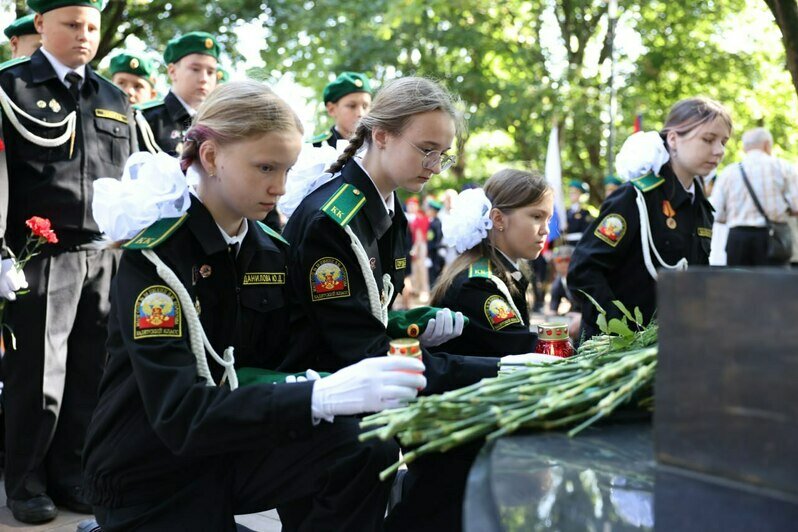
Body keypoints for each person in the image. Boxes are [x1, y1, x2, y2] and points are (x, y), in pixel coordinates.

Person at [83, 80, 419, 531]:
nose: (279, 187)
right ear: (211, 157)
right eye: (265, 167)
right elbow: (180, 415)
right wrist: (318, 396)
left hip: (230, 450)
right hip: (149, 469)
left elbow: (289, 359)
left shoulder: (272, 252)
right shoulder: (157, 259)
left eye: (286, 169)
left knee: (367, 445)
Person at [279, 76, 507, 532]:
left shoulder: (386, 205)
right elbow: (358, 347)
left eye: (442, 153)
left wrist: (412, 325)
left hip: (360, 388)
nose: (436, 166)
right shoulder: (334, 219)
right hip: (318, 399)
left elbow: (373, 315)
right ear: (380, 135)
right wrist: (499, 369)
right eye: (426, 150)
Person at [0, 0, 136, 523]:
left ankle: (73, 474)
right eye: (71, 25)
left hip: (102, 254)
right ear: (40, 24)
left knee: (91, 371)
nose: (84, 35)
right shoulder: (13, 87)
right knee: (37, 374)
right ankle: (27, 481)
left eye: (92, 26)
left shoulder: (112, 96)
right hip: (40, 257)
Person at [568, 97, 731, 340]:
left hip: (672, 344)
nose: (719, 150)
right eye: (708, 139)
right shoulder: (635, 198)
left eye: (723, 142)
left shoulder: (702, 207)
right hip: (616, 351)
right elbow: (583, 272)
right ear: (673, 139)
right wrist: (621, 328)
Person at [429, 169, 552, 356]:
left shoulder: (502, 272)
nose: (545, 230)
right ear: (498, 219)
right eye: (536, 217)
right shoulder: (479, 284)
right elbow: (523, 351)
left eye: (548, 219)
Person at [710, 127, 798, 266]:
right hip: (773, 237)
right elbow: (796, 207)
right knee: (774, 285)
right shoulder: (783, 168)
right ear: (767, 144)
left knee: (740, 284)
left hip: (737, 238)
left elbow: (717, 214)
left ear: (745, 148)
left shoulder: (728, 173)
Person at [135, 31, 219, 156]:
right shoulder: (145, 119)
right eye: (195, 69)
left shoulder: (217, 122)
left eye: (211, 72)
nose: (204, 78)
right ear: (172, 71)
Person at [311, 71, 372, 148]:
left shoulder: (379, 145)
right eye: (352, 106)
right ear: (331, 109)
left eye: (365, 106)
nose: (360, 113)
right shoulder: (316, 147)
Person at [565, 179, 594, 245]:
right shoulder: (566, 212)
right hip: (566, 245)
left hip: (579, 245)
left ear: (580, 194)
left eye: (574, 192)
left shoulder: (585, 212)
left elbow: (586, 232)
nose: (571, 194)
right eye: (570, 192)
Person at [425, 198, 445, 286]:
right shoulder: (433, 222)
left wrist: (428, 250)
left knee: (434, 276)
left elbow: (434, 239)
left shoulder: (436, 223)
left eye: (429, 209)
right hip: (433, 252)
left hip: (435, 253)